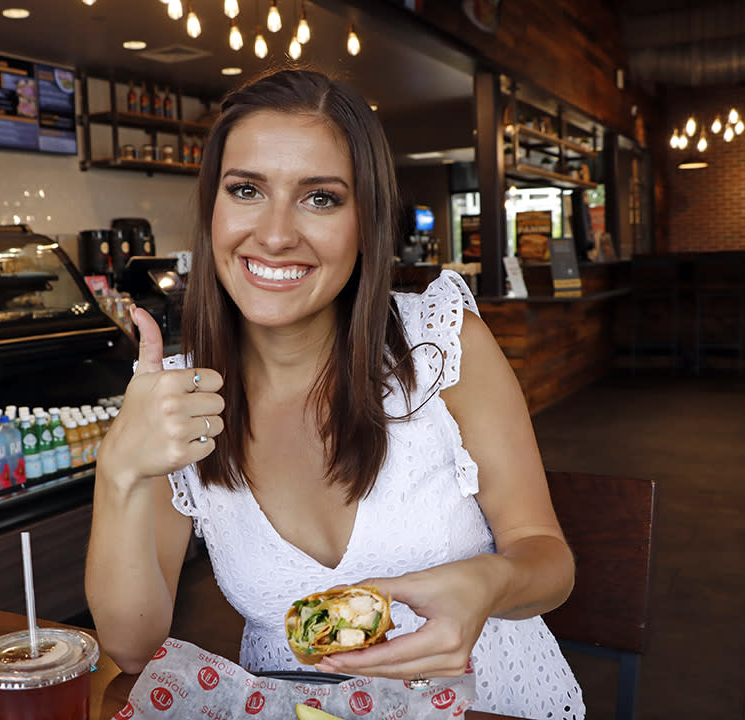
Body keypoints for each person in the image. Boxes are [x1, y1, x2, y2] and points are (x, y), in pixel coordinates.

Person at [85, 69, 584, 719]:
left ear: (366, 221)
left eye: (320, 198)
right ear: (212, 209)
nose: (275, 234)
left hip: (489, 702)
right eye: (246, 190)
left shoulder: (438, 342)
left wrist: (490, 583)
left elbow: (549, 561)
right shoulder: (180, 396)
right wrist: (119, 469)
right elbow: (131, 645)